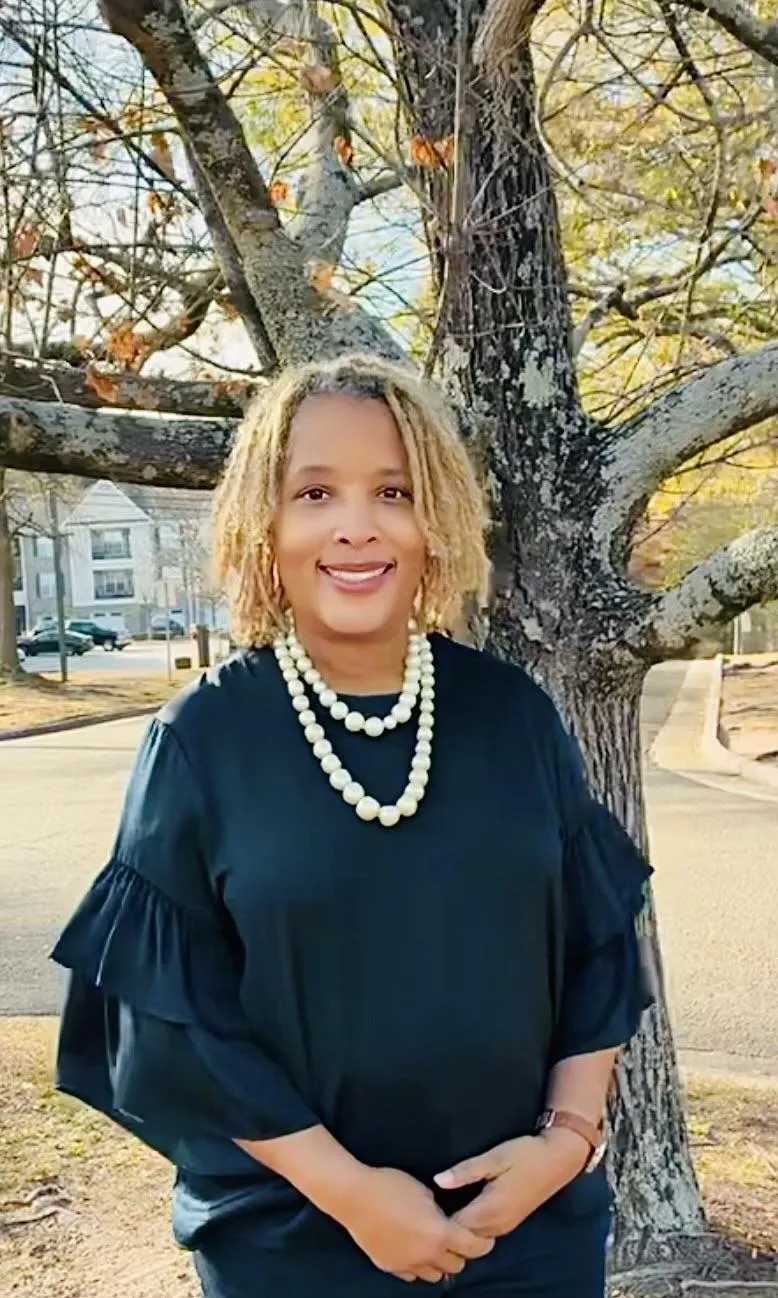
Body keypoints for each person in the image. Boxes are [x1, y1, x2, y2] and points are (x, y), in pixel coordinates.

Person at [51, 353, 654, 1298]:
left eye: (394, 492)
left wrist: (566, 1142)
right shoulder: (204, 738)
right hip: (291, 1238)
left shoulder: (514, 717)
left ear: (436, 518)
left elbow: (599, 945)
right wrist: (354, 1195)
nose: (356, 526)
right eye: (315, 493)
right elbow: (173, 1017)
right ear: (266, 523)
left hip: (526, 1233)